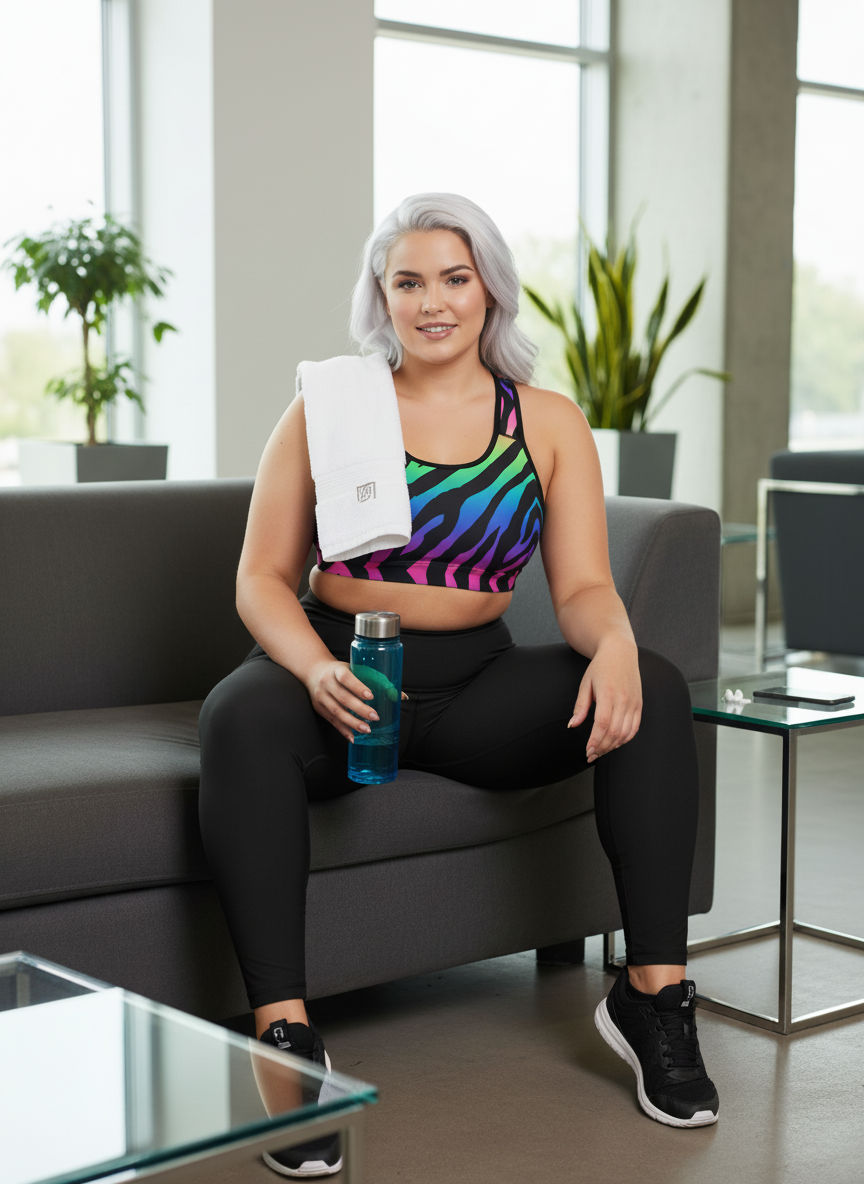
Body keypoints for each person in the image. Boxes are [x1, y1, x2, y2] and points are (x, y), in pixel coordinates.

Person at [198, 193, 719, 1176]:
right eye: (408, 281)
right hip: (340, 671)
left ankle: (652, 993)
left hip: (474, 683)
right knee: (236, 717)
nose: (432, 301)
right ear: (380, 297)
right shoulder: (326, 406)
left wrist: (611, 640)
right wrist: (312, 667)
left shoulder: (549, 422)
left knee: (649, 682)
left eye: (454, 277)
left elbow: (582, 587)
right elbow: (259, 579)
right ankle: (282, 1037)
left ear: (490, 290)